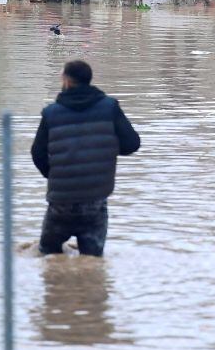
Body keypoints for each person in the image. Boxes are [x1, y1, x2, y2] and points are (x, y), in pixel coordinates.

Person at [31, 60, 141, 256]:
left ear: (66, 80)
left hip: (61, 201)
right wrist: (105, 150)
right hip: (96, 200)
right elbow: (132, 144)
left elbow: (37, 153)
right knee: (93, 261)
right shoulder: (110, 107)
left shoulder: (51, 113)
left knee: (48, 256)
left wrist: (55, 176)